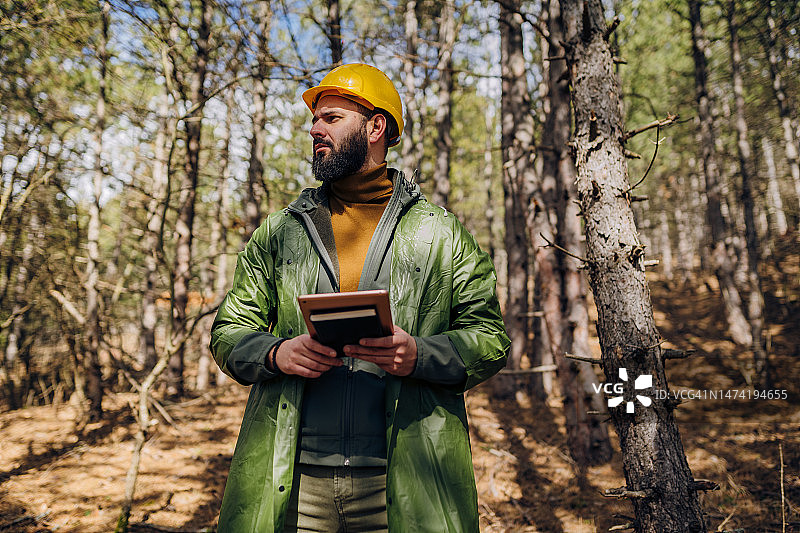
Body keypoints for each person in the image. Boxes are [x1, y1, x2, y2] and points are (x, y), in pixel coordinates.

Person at [210, 63, 510, 532]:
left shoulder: (440, 233)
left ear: (376, 127)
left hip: (405, 481)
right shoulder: (281, 231)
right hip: (292, 479)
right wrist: (275, 351)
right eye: (315, 120)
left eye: (331, 118)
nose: (314, 129)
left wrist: (419, 354)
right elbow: (228, 331)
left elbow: (490, 338)